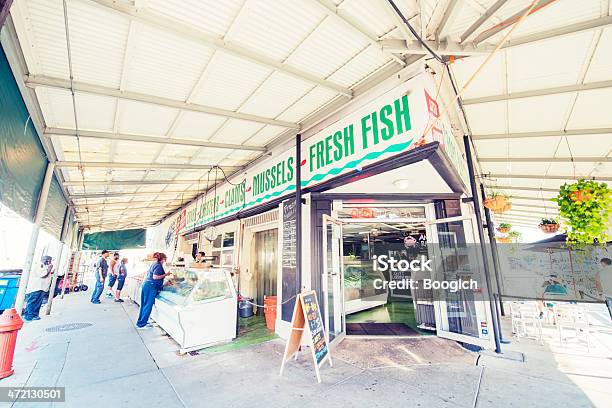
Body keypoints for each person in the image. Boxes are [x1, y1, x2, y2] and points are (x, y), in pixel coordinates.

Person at [136, 252, 173, 329]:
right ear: (163, 259)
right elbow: (155, 277)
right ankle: (142, 325)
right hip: (150, 287)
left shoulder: (154, 263)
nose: (165, 261)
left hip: (147, 285)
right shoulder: (158, 266)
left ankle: (141, 321)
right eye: (165, 259)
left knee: (144, 305)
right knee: (148, 306)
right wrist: (166, 274)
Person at [23, 255, 54, 321]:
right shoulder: (39, 265)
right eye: (49, 260)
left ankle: (32, 315)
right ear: (45, 260)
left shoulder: (44, 266)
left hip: (41, 288)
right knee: (33, 302)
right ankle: (30, 316)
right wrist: (49, 268)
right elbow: (43, 275)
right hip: (36, 288)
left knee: (37, 302)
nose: (49, 262)